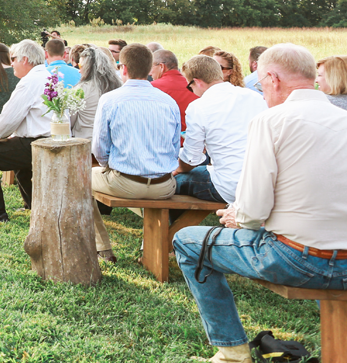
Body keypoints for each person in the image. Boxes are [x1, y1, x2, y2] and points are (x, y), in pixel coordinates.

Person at [173, 44, 347, 363]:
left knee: (186, 241)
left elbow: (253, 213)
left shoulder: (271, 120)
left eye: (262, 83)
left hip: (299, 259)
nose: (261, 91)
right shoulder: (342, 119)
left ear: (271, 78)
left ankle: (232, 350)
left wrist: (239, 215)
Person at [90, 43, 181, 263]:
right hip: (164, 186)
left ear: (123, 68)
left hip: (126, 183)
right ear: (150, 68)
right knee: (138, 186)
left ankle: (102, 247)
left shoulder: (110, 100)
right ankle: (149, 244)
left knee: (76, 178)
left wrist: (108, 165)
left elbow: (99, 149)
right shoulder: (169, 102)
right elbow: (174, 146)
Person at [0, 40, 50, 222]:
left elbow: (8, 118)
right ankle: (32, 206)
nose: (11, 62)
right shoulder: (49, 77)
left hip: (36, 143)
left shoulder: (29, 82)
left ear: (25, 59)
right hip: (48, 140)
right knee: (21, 165)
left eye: (13, 58)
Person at [172, 55, 266, 206]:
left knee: (171, 182)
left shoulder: (199, 107)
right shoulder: (254, 96)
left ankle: (169, 228)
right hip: (262, 183)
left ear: (197, 82)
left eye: (190, 87)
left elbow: (191, 159)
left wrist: (176, 168)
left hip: (229, 186)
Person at [74, 44, 122, 140]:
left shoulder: (80, 90)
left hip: (86, 143)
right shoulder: (119, 86)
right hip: (112, 142)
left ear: (87, 67)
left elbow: (70, 120)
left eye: (80, 66)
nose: (79, 71)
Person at [150, 49, 198, 133]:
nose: (150, 73)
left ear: (161, 66)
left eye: (151, 67)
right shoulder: (196, 86)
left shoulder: (152, 88)